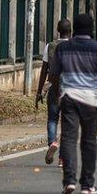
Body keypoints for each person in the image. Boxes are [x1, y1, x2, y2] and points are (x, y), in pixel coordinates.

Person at [49, 14, 97, 194]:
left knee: (69, 138)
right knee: (89, 141)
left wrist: (58, 93)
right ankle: (88, 183)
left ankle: (69, 181)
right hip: (91, 100)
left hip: (69, 98)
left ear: (74, 29)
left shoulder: (63, 48)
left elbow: (54, 74)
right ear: (91, 29)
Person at [37, 18, 72, 166]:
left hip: (53, 86)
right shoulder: (75, 46)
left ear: (58, 31)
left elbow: (44, 70)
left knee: (52, 118)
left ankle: (52, 142)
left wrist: (39, 91)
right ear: (70, 32)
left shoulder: (49, 46)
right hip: (70, 89)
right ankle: (63, 159)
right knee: (67, 123)